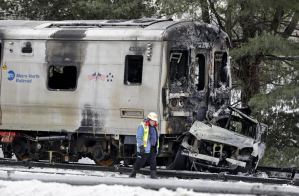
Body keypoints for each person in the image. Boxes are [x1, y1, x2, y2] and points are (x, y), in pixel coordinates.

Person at [129, 112, 159, 179]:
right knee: (139, 163)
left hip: (153, 149)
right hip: (145, 149)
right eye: (152, 121)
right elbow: (139, 137)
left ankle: (153, 176)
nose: (153, 122)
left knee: (153, 163)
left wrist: (156, 148)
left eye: (154, 121)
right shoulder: (142, 126)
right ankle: (132, 175)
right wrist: (141, 146)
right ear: (149, 119)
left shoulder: (154, 128)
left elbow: (156, 138)